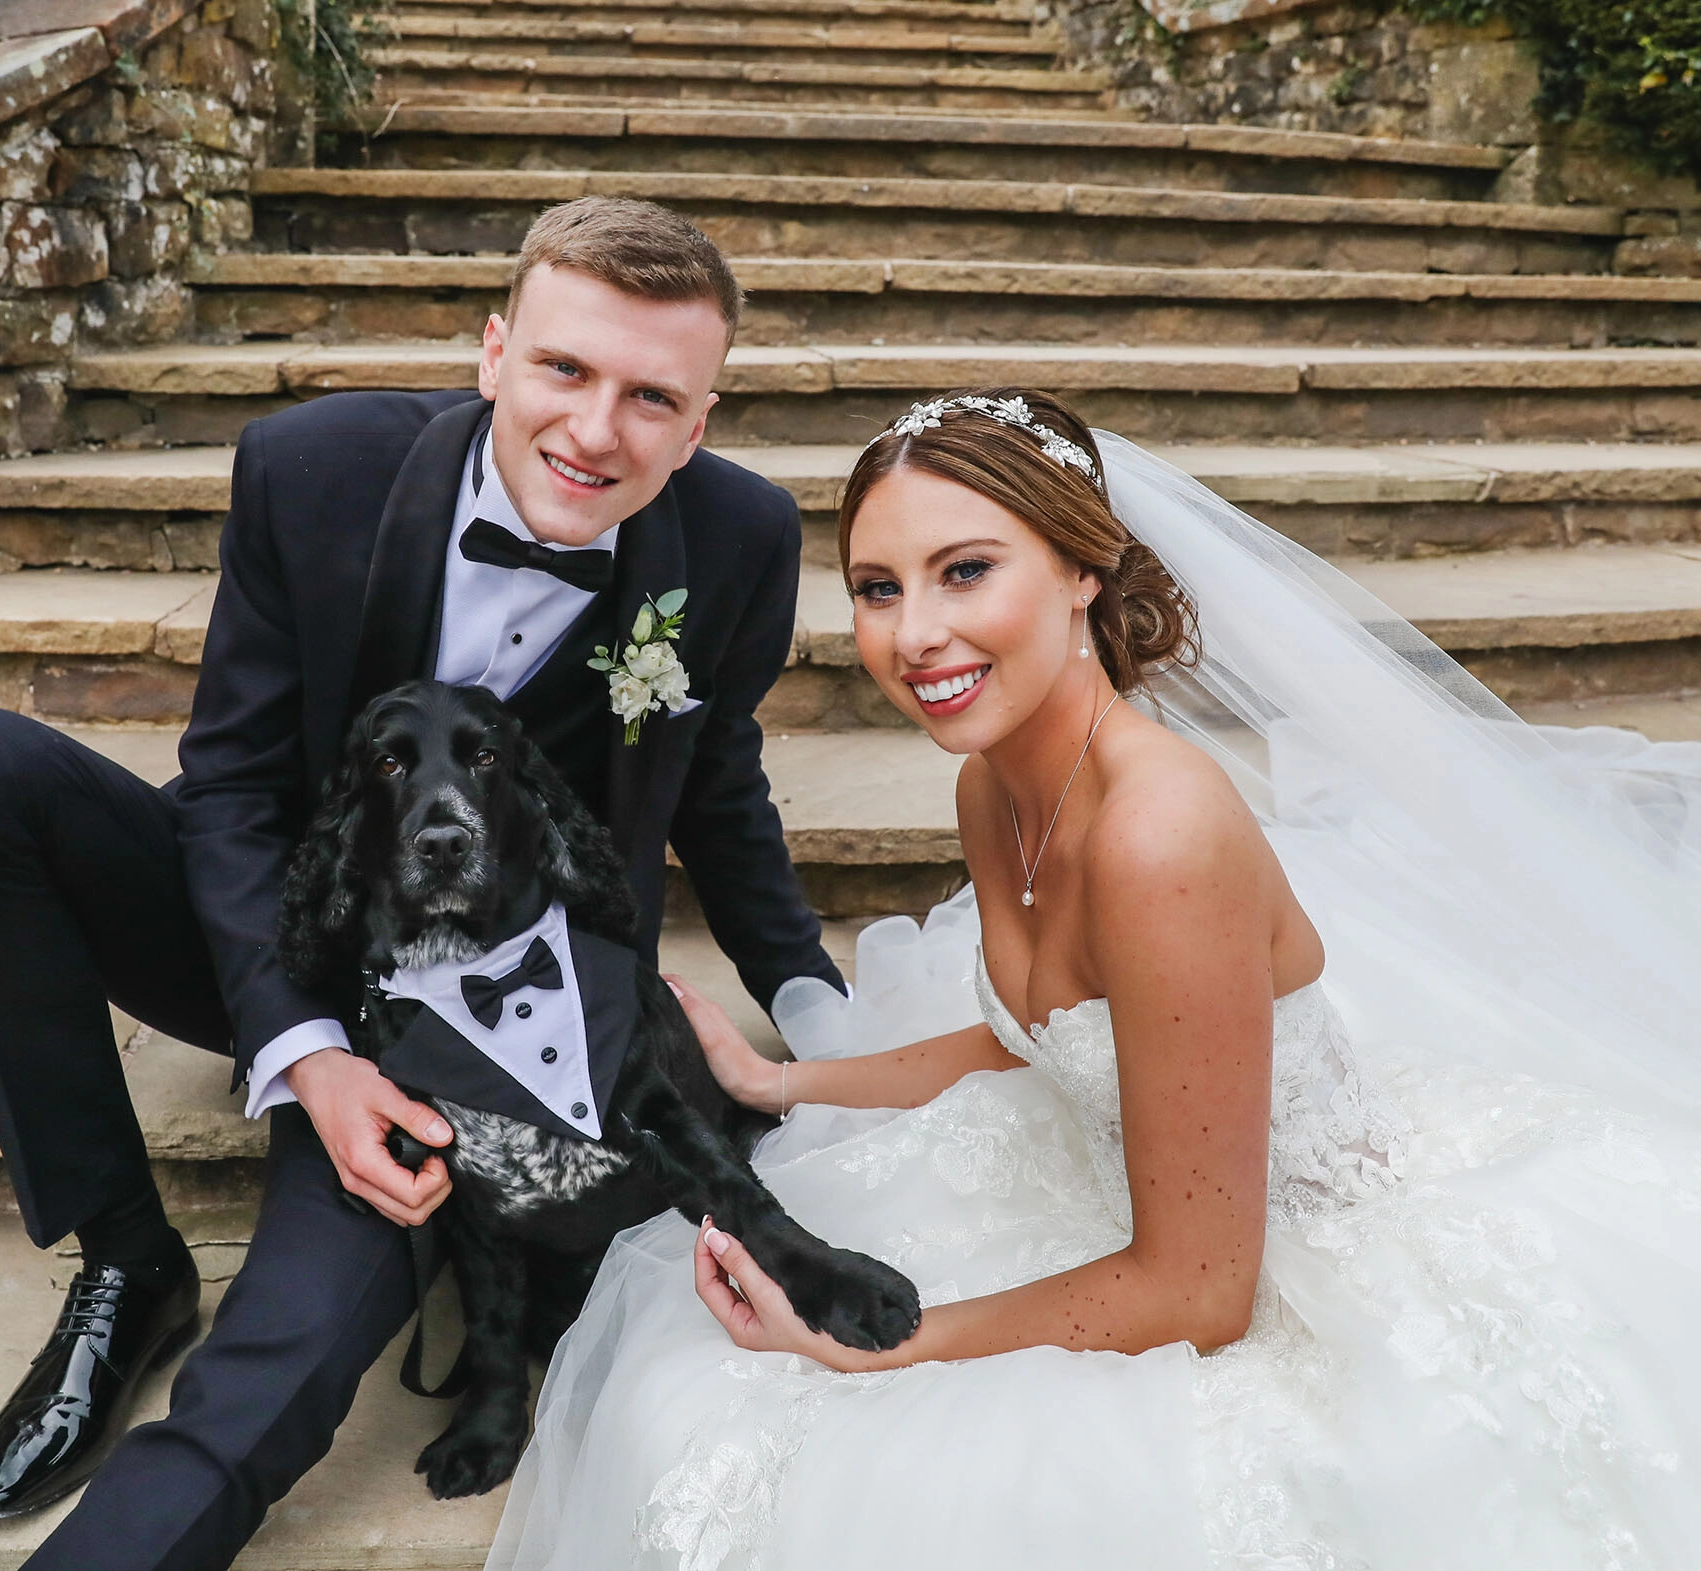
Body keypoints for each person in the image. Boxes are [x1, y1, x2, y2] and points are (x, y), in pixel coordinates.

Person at [487, 389, 1701, 1571]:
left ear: (1080, 570)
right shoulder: (992, 780)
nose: (912, 636)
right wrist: (782, 1071)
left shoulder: (1156, 832)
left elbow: (1202, 1290)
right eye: (876, 586)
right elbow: (1038, 1038)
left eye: (964, 570)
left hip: (1273, 1271)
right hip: (1128, 1197)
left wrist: (883, 1342)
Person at [0, 195, 844, 1570]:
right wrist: (298, 1044)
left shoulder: (739, 540)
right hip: (276, 921)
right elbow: (228, 786)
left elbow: (720, 784)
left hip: (493, 1003)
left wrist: (822, 1007)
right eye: (566, 369)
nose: (594, 429)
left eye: (651, 398)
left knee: (283, 1355)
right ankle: (126, 1259)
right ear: (494, 350)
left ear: (698, 425)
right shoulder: (314, 468)